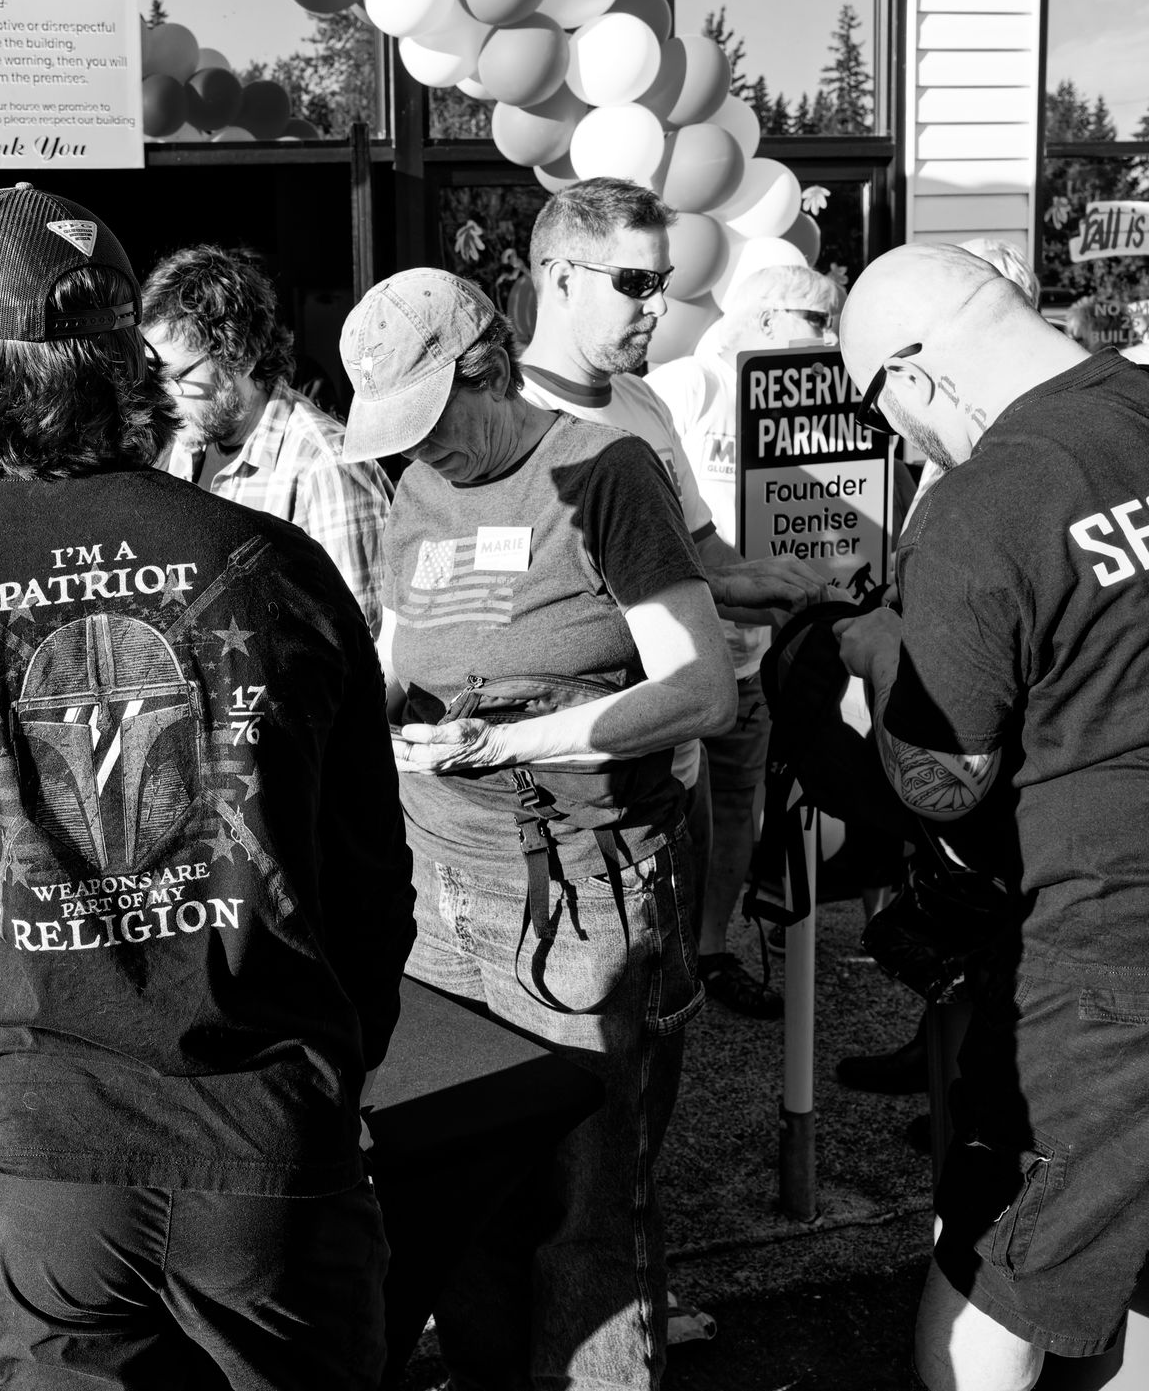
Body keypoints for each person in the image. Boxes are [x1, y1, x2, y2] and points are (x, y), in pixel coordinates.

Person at [0, 182, 415, 1388]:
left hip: (43, 1177)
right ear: (122, 365)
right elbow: (373, 884)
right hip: (273, 1152)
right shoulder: (278, 566)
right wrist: (335, 1078)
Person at [832, 244, 1149, 1391]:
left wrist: (872, 668)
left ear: (918, 375)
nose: (898, 441)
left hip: (1132, 965)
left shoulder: (989, 498)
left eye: (882, 408)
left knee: (1001, 1264)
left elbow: (943, 776)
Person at [340, 265, 734, 1389]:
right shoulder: (418, 484)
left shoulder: (603, 470)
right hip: (439, 892)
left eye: (431, 419)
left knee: (587, 1200)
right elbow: (402, 646)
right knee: (461, 1178)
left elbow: (703, 688)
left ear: (487, 367)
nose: (420, 450)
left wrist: (508, 742)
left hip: (581, 893)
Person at [513, 180, 837, 1026]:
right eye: (635, 282)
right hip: (572, 785)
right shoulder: (501, 416)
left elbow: (698, 548)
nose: (658, 305)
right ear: (559, 277)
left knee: (655, 1022)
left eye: (662, 281)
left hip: (672, 760)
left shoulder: (644, 402)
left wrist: (761, 582)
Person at [646, 263, 847, 1016]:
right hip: (676, 656)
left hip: (754, 656)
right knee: (666, 816)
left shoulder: (807, 408)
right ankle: (651, 961)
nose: (829, 338)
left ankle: (710, 951)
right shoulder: (687, 385)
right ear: (764, 321)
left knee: (737, 808)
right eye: (816, 320)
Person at [141, 243, 395, 631]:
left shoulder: (325, 464)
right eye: (154, 378)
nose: (164, 397)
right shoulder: (183, 447)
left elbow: (368, 644)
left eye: (177, 377)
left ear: (240, 356)